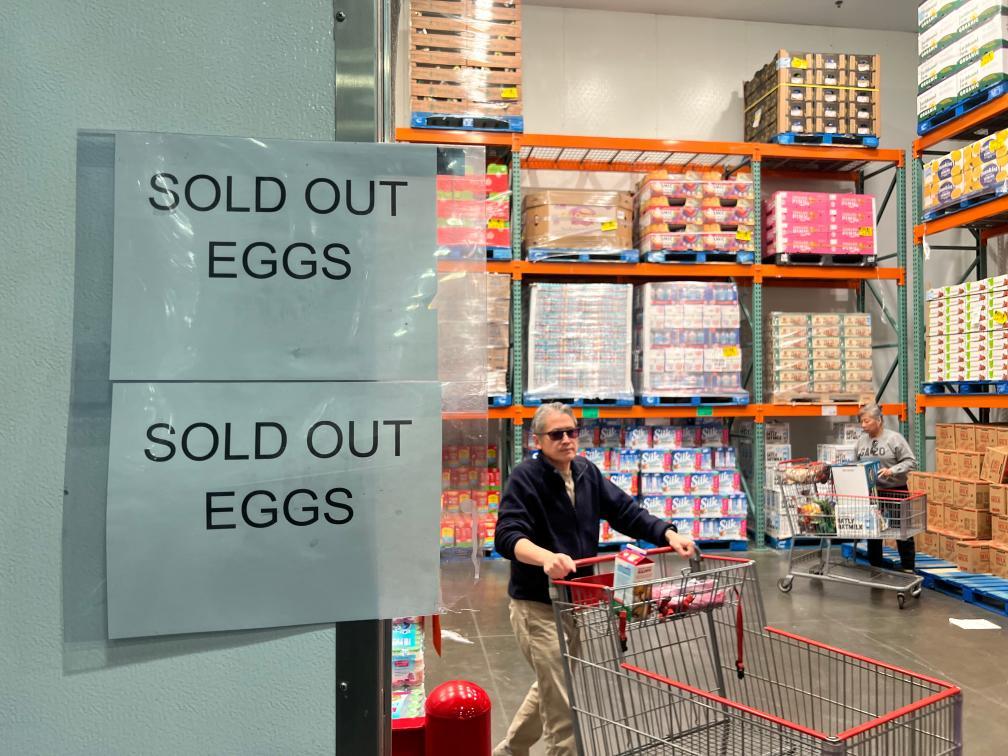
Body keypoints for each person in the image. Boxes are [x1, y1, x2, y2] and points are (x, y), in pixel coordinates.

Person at [492, 403, 695, 756]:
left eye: (572, 432)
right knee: (562, 704)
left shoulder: (586, 472)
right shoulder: (525, 478)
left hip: (574, 602)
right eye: (557, 434)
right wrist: (545, 558)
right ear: (538, 440)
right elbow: (507, 535)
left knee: (554, 685)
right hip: (537, 606)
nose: (567, 440)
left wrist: (667, 533)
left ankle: (510, 751)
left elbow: (626, 512)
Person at [855, 402, 918, 571]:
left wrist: (892, 470)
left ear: (878, 420)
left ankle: (908, 568)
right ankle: (875, 567)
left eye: (866, 421)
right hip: (873, 493)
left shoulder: (894, 439)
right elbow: (855, 463)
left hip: (895, 491)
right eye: (861, 421)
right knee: (873, 532)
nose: (863, 425)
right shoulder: (861, 441)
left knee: (902, 531)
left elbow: (911, 461)